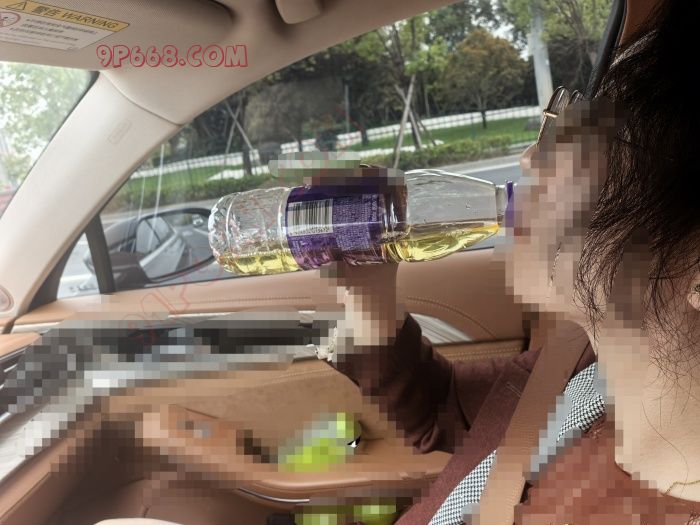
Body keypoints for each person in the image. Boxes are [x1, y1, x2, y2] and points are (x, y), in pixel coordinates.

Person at [317, 0, 700, 523]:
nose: (530, 157)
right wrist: (369, 295)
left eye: (591, 135)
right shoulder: (579, 368)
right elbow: (443, 412)